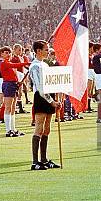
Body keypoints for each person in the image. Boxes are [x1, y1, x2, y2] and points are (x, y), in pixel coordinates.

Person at [28, 40, 61, 170]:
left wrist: (56, 97)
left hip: (49, 96)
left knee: (47, 129)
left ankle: (44, 159)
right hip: (41, 97)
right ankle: (35, 162)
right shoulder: (35, 66)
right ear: (38, 51)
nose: (48, 51)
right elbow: (40, 88)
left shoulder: (45, 65)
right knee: (39, 128)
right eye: (46, 49)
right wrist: (51, 101)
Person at [0, 46, 30, 137]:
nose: (8, 54)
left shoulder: (9, 63)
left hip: (13, 85)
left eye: (9, 53)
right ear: (1, 54)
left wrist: (19, 83)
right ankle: (8, 130)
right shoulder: (3, 63)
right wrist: (27, 63)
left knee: (12, 108)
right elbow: (15, 65)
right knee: (8, 108)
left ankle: (13, 128)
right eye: (6, 53)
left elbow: (15, 74)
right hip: (8, 85)